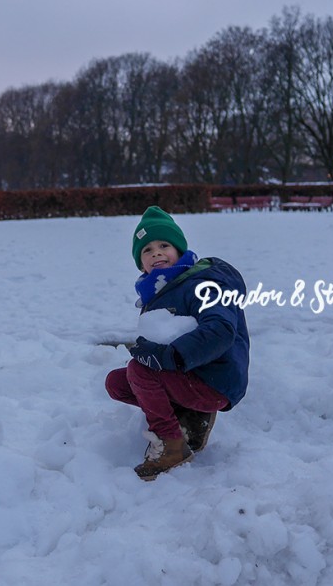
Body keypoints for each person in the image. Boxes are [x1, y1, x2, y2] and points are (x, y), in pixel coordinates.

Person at [105, 205, 250, 481]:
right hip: (191, 375)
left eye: (164, 245)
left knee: (140, 372)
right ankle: (191, 417)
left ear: (179, 251)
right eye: (147, 250)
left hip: (216, 379)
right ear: (141, 264)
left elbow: (221, 330)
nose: (156, 253)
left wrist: (171, 356)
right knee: (118, 383)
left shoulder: (200, 284)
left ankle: (171, 445)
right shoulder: (159, 293)